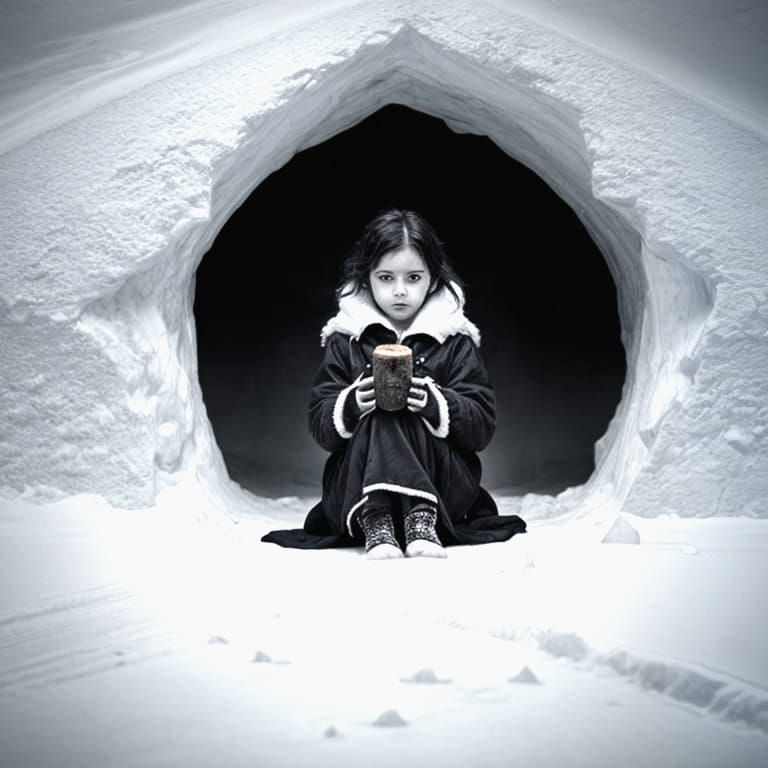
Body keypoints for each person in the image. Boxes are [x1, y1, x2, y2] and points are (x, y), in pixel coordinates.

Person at [261, 208, 526, 558]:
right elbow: (322, 427)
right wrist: (353, 403)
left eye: (413, 278)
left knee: (400, 403)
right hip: (357, 486)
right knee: (382, 402)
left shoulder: (454, 340)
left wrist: (436, 404)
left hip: (441, 486)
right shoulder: (348, 339)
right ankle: (378, 518)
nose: (400, 291)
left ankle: (418, 516)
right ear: (367, 277)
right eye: (386, 278)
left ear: (433, 279)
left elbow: (481, 430)